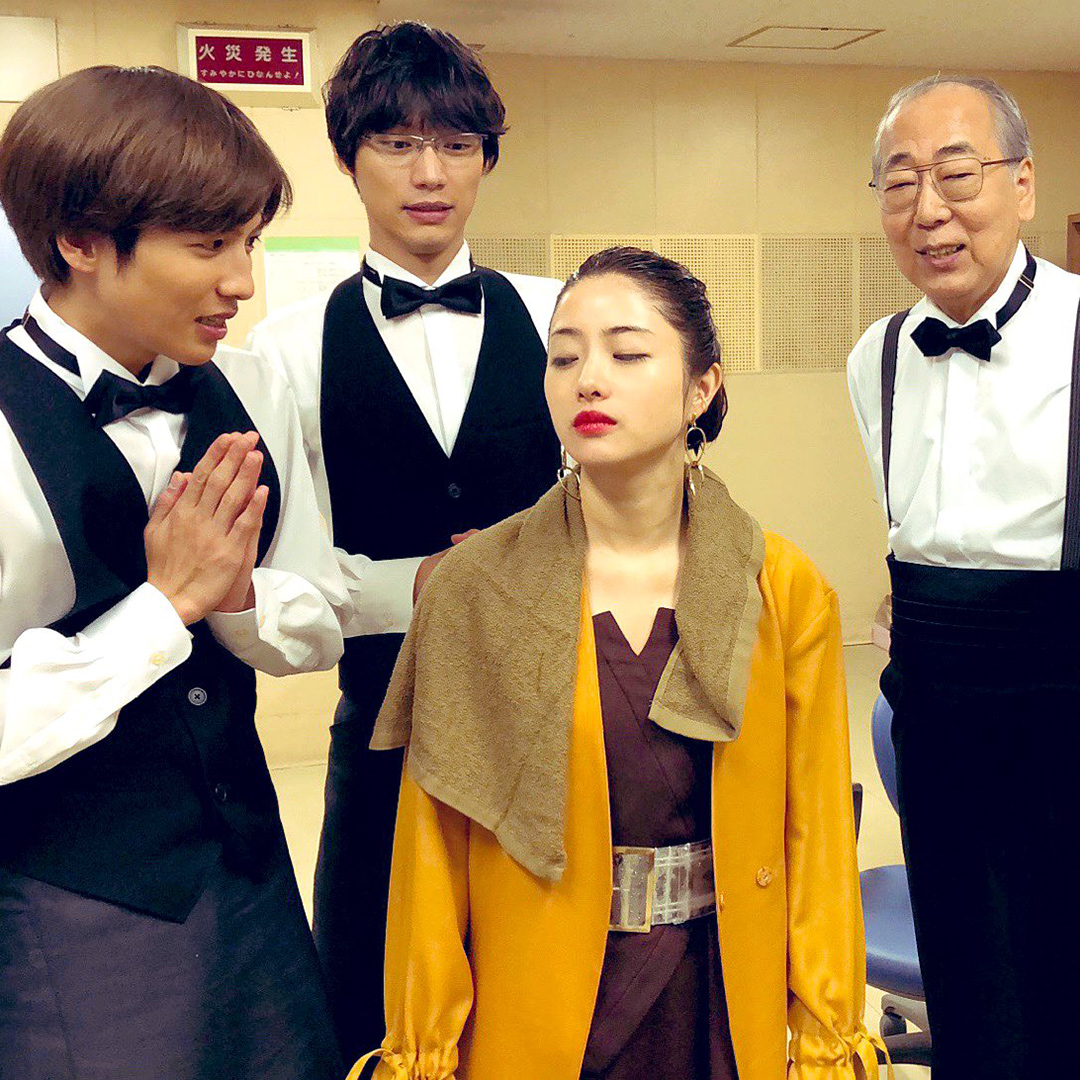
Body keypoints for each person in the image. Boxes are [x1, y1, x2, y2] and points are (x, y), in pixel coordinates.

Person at [354, 247, 881, 1080]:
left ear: (702, 387)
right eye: (564, 358)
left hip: (715, 990)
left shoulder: (780, 588)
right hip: (540, 993)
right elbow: (431, 855)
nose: (588, 381)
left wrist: (823, 1038)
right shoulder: (474, 590)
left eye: (627, 354)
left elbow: (815, 841)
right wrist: (425, 1047)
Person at [0, 65, 349, 1080]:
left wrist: (237, 597)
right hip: (71, 902)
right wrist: (164, 608)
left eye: (250, 243)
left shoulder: (249, 385)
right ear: (81, 242)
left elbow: (316, 615)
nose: (242, 283)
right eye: (208, 247)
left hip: (251, 873)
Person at [246, 21, 562, 1059]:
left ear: (486, 160)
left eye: (457, 145)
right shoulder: (283, 349)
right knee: (371, 1001)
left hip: (554, 712)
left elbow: (618, 515)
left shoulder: (561, 318)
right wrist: (414, 586)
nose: (430, 174)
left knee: (541, 994)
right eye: (397, 144)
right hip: (385, 723)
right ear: (348, 159)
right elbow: (285, 579)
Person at [847, 74, 1080, 1079]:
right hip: (939, 735)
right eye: (900, 183)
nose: (928, 209)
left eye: (956, 174)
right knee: (975, 1002)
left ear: (1023, 185)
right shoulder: (875, 357)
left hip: (1066, 726)